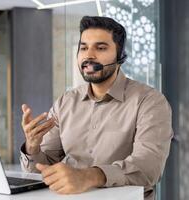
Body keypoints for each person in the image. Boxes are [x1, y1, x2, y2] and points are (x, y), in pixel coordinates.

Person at [20, 16, 173, 200]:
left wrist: (88, 177)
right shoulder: (65, 102)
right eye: (83, 48)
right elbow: (43, 168)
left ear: (120, 55)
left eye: (100, 48)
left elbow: (149, 167)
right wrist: (32, 148)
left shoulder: (150, 101)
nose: (89, 55)